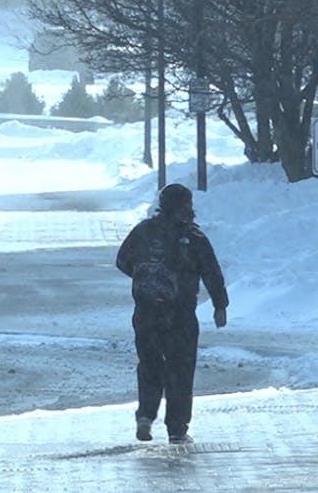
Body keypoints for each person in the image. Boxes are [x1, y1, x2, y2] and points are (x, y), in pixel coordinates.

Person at [115, 182, 229, 445]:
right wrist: (219, 305)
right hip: (180, 315)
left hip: (146, 312)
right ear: (185, 207)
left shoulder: (143, 231)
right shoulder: (194, 238)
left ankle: (145, 415)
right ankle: (177, 428)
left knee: (149, 364)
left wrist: (145, 277)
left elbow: (122, 260)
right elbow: (212, 272)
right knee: (180, 369)